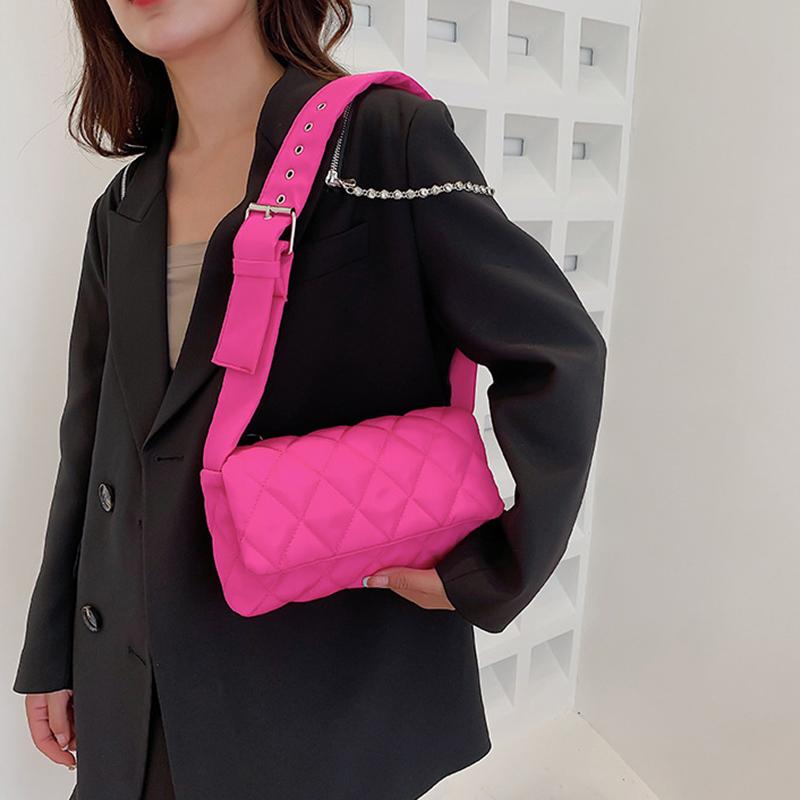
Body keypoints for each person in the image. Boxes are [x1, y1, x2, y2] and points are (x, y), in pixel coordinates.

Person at [12, 1, 607, 798]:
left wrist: (496, 568)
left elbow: (557, 353)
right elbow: (91, 443)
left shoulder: (383, 141)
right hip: (135, 681)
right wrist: (54, 644)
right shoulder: (122, 203)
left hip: (318, 690)